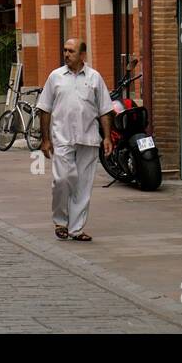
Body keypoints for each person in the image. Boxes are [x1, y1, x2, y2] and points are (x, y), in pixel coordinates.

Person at [37, 39, 114, 243]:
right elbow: (44, 109)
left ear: (82, 55)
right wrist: (45, 140)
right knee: (62, 180)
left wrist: (107, 137)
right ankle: (60, 220)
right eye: (64, 50)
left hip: (88, 138)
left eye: (71, 51)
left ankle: (76, 229)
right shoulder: (55, 77)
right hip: (62, 138)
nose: (66, 54)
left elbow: (105, 110)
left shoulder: (95, 78)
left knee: (83, 185)